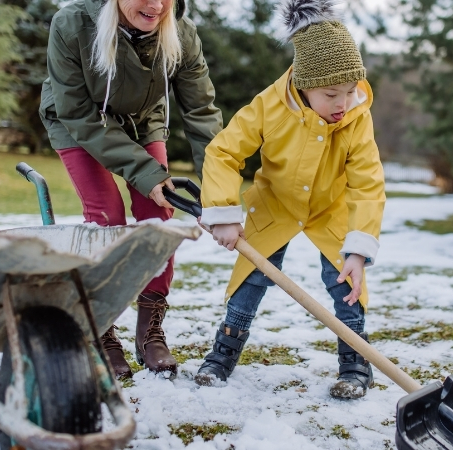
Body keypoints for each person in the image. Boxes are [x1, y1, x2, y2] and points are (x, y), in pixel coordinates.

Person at [194, 0, 385, 399]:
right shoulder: (270, 106)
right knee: (252, 278)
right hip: (275, 205)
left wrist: (359, 249)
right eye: (332, 94)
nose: (343, 104)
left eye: (350, 91)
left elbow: (367, 183)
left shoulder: (355, 116)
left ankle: (355, 363)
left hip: (329, 209)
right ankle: (222, 354)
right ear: (303, 82)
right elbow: (223, 152)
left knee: (346, 282)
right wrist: (224, 214)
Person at [39, 0, 223, 380]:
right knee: (106, 215)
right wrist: (145, 172)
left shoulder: (181, 34)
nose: (156, 5)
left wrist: (220, 196)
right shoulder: (71, 25)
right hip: (79, 120)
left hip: (142, 120)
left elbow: (202, 114)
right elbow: (77, 113)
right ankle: (100, 328)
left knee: (159, 217)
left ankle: (149, 329)